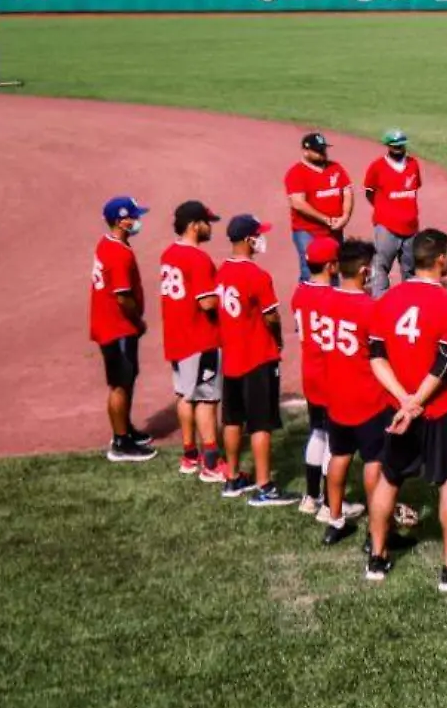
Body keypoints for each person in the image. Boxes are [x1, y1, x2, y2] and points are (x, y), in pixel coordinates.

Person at [366, 228, 447, 591]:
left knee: (390, 478)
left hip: (397, 408)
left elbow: (376, 357)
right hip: (440, 410)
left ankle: (377, 556)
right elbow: (442, 364)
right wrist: (416, 402)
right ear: (439, 260)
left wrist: (402, 401)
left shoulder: (386, 300)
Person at [214, 214, 295, 505]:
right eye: (258, 234)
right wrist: (279, 339)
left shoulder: (221, 272)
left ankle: (232, 478)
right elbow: (270, 316)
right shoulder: (257, 276)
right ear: (249, 240)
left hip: (233, 357)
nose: (262, 239)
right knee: (261, 423)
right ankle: (265, 486)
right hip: (258, 357)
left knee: (233, 419)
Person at [315, 238, 378, 546]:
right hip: (367, 397)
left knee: (339, 456)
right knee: (373, 461)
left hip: (335, 395)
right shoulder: (369, 308)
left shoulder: (324, 302)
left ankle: (335, 519)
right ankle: (375, 529)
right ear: (364, 271)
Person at [159, 200, 223, 479]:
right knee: (207, 400)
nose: (210, 227)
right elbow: (208, 303)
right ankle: (211, 463)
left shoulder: (168, 253)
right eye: (207, 222)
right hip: (200, 339)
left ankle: (189, 456)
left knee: (185, 396)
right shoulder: (197, 259)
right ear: (195, 225)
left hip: (176, 338)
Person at [92, 195, 156, 462]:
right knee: (120, 384)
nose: (137, 220)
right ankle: (120, 443)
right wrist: (138, 321)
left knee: (127, 378)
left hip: (112, 326)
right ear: (121, 220)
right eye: (134, 216)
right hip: (117, 327)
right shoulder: (118, 253)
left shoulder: (109, 244)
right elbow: (122, 297)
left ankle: (126, 430)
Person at [291, 236, 341, 514]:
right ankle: (331, 504)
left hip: (309, 371)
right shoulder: (332, 298)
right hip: (330, 374)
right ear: (332, 266)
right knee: (335, 439)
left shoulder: (300, 293)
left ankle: (310, 497)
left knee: (317, 432)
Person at [284, 132, 352, 281]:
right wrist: (326, 219)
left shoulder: (336, 168)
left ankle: (332, 302)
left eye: (323, 149)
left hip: (334, 231)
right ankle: (306, 303)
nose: (322, 153)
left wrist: (345, 216)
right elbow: (298, 203)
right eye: (318, 150)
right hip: (307, 232)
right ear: (305, 151)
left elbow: (347, 191)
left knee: (333, 269)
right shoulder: (296, 173)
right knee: (310, 270)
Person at [364, 129, 422, 297]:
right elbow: (370, 192)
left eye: (401, 146)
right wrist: (383, 209)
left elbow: (413, 189)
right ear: (388, 146)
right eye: (395, 146)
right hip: (386, 227)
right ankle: (380, 304)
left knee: (410, 268)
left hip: (411, 227)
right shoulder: (377, 166)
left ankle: (409, 302)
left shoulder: (413, 164)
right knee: (381, 267)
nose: (398, 149)